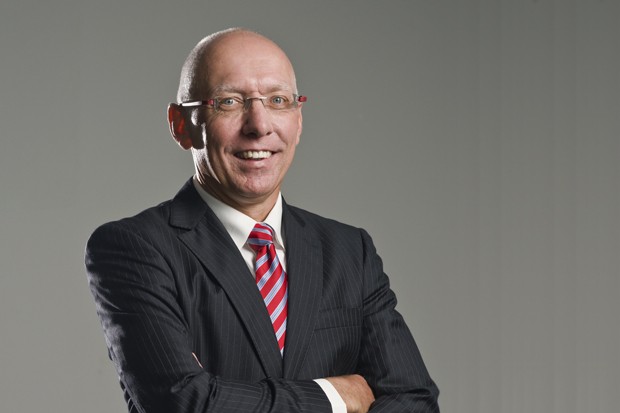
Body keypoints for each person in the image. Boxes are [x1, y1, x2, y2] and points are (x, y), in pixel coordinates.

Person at [85, 28, 439, 413]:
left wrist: (224, 395)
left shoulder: (350, 251)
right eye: (229, 102)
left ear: (298, 121)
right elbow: (184, 402)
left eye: (277, 100)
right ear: (181, 125)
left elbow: (415, 400)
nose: (259, 125)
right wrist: (337, 395)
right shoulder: (136, 248)